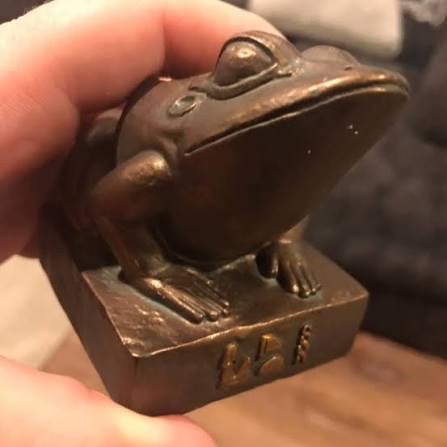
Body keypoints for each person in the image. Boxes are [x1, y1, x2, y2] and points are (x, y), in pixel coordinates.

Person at [0, 0, 277, 445]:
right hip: (119, 181)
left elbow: (279, 189)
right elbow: (103, 203)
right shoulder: (163, 161)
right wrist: (152, 271)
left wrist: (278, 242)